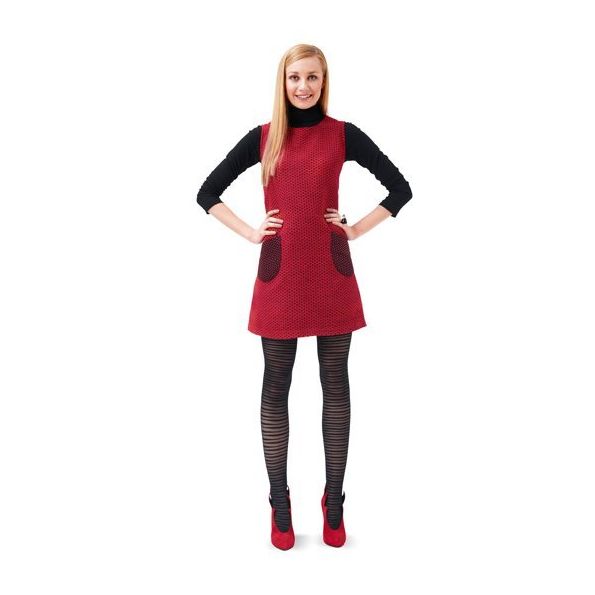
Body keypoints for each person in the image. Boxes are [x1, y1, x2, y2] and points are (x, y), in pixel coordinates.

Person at [196, 44, 413, 550]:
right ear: (283, 81)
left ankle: (334, 503)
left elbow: (400, 188)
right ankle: (280, 502)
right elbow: (207, 192)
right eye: (295, 77)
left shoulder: (343, 134)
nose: (303, 86)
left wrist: (355, 227)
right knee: (276, 386)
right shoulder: (264, 137)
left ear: (323, 81)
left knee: (335, 385)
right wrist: (252, 232)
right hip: (280, 277)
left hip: (332, 273)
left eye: (312, 77)